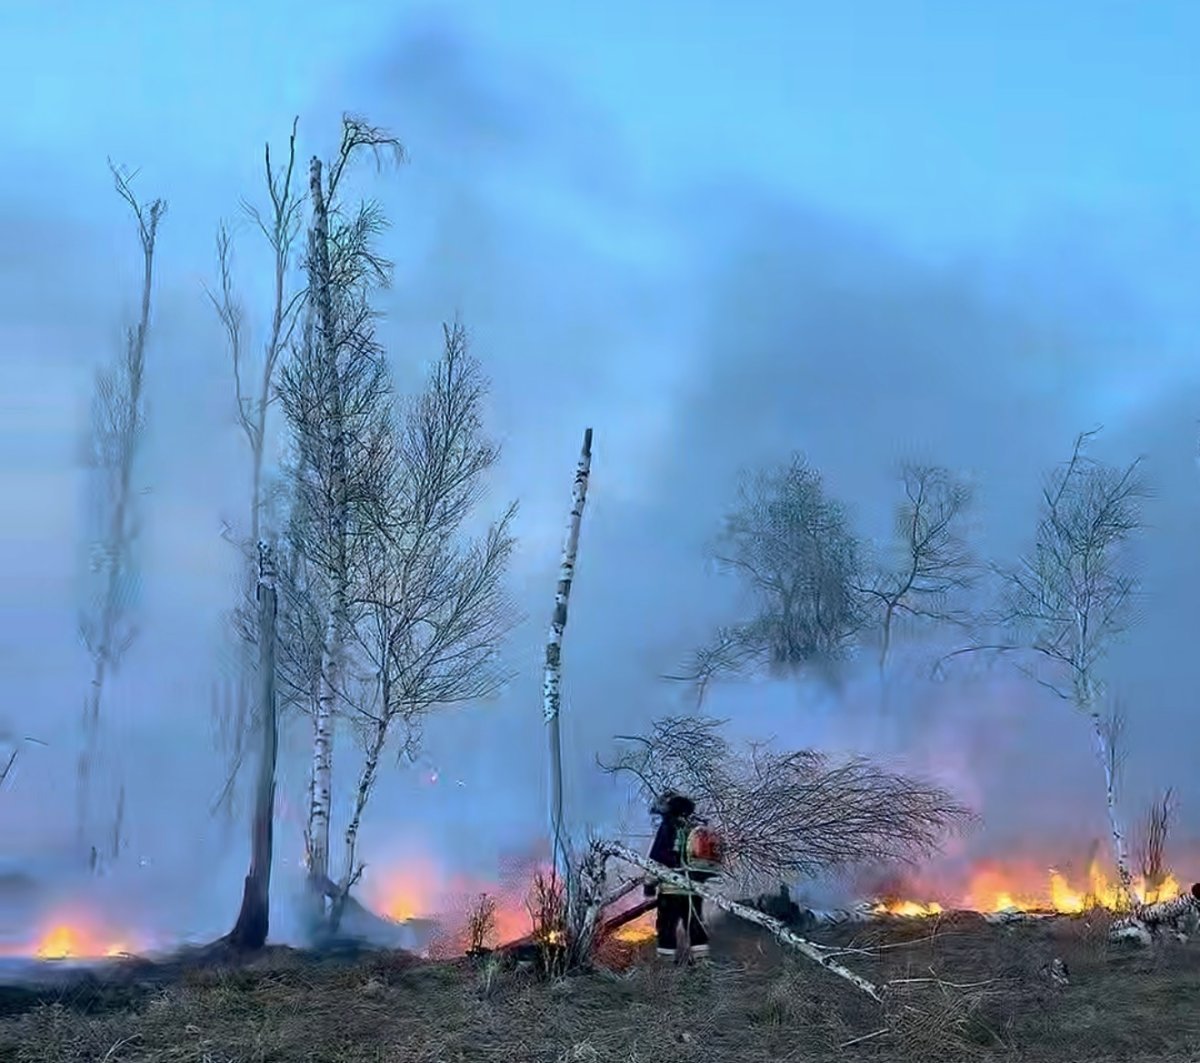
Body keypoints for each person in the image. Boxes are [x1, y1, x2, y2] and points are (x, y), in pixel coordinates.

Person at [645, 791, 712, 964]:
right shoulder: (695, 830)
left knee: (667, 928)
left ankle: (666, 970)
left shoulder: (667, 827)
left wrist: (649, 885)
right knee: (695, 926)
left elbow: (655, 859)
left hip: (670, 891)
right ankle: (701, 965)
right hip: (693, 890)